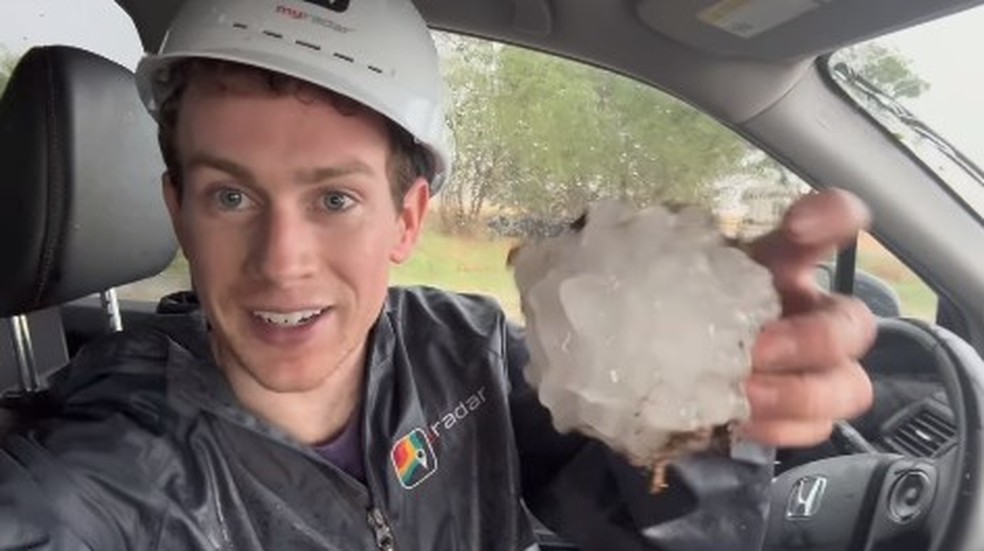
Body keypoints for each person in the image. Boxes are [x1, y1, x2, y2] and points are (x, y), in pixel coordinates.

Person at [0, 0, 875, 549]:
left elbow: (632, 508)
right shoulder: (105, 467)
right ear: (179, 207)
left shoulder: (464, 352)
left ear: (407, 219)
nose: (282, 262)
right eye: (232, 196)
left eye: (335, 199)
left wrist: (701, 393)